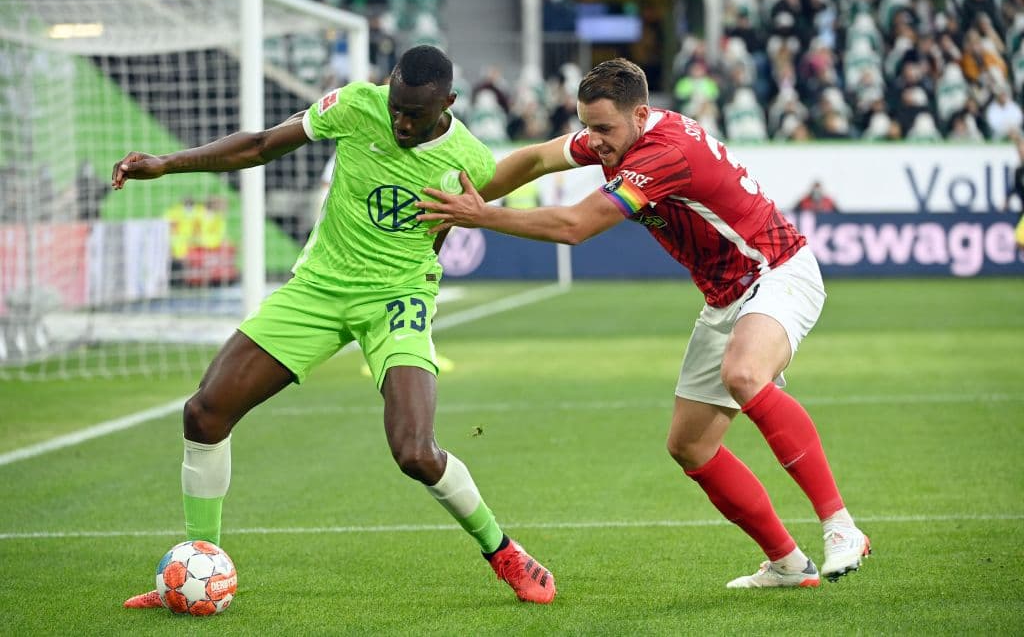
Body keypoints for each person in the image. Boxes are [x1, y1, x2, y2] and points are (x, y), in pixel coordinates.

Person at [113, 45, 555, 608]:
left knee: (415, 452)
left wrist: (415, 280)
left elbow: (451, 229)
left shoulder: (470, 157)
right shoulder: (353, 106)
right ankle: (202, 565)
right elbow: (259, 145)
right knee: (204, 413)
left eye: (414, 114)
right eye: (395, 107)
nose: (400, 121)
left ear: (448, 102)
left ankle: (504, 552)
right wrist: (167, 163)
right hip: (320, 288)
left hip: (396, 299)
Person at [418, 58, 870, 589]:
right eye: (588, 126)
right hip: (726, 295)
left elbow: (574, 226)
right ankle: (789, 564)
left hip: (777, 270)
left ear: (641, 113)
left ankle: (841, 525)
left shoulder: (664, 153)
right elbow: (537, 158)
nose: (594, 140)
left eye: (604, 129)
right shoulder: (617, 135)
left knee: (744, 374)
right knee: (690, 446)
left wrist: (483, 216)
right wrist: (461, 195)